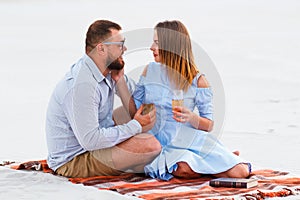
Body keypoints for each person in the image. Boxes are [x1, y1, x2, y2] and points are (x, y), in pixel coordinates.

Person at [132, 20, 251, 180]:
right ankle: (221, 159)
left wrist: (192, 118)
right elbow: (135, 106)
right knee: (182, 169)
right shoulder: (149, 70)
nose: (151, 48)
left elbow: (208, 125)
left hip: (188, 139)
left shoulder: (198, 81)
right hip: (157, 140)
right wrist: (119, 85)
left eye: (157, 43)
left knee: (240, 174)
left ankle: (224, 159)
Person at [45, 20, 161, 178]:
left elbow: (142, 99)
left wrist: (120, 82)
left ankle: (137, 161)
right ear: (101, 48)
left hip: (95, 143)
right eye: (120, 45)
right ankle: (138, 161)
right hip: (74, 160)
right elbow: (91, 141)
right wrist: (136, 126)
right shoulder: (82, 85)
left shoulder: (108, 70)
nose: (124, 49)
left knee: (147, 111)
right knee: (150, 146)